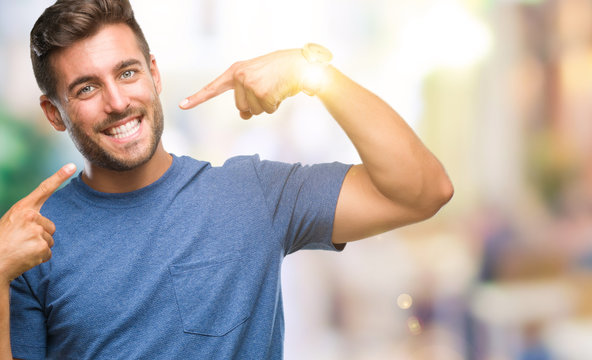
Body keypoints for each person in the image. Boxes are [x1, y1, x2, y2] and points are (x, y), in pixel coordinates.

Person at [0, 0, 453, 358]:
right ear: (53, 113)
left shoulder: (252, 195)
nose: (117, 101)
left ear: (154, 74)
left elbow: (423, 191)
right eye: (86, 88)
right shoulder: (32, 243)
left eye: (128, 72)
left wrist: (316, 76)